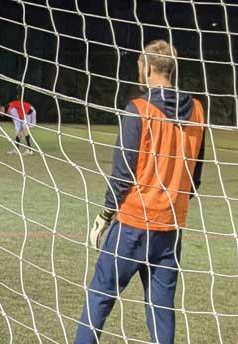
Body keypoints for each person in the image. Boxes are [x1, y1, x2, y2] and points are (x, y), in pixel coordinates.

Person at [72, 39, 207, 344]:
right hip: (171, 228)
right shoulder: (198, 110)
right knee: (161, 310)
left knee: (100, 297)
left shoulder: (138, 109)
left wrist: (105, 215)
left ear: (147, 68)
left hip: (133, 224)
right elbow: (195, 173)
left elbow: (123, 174)